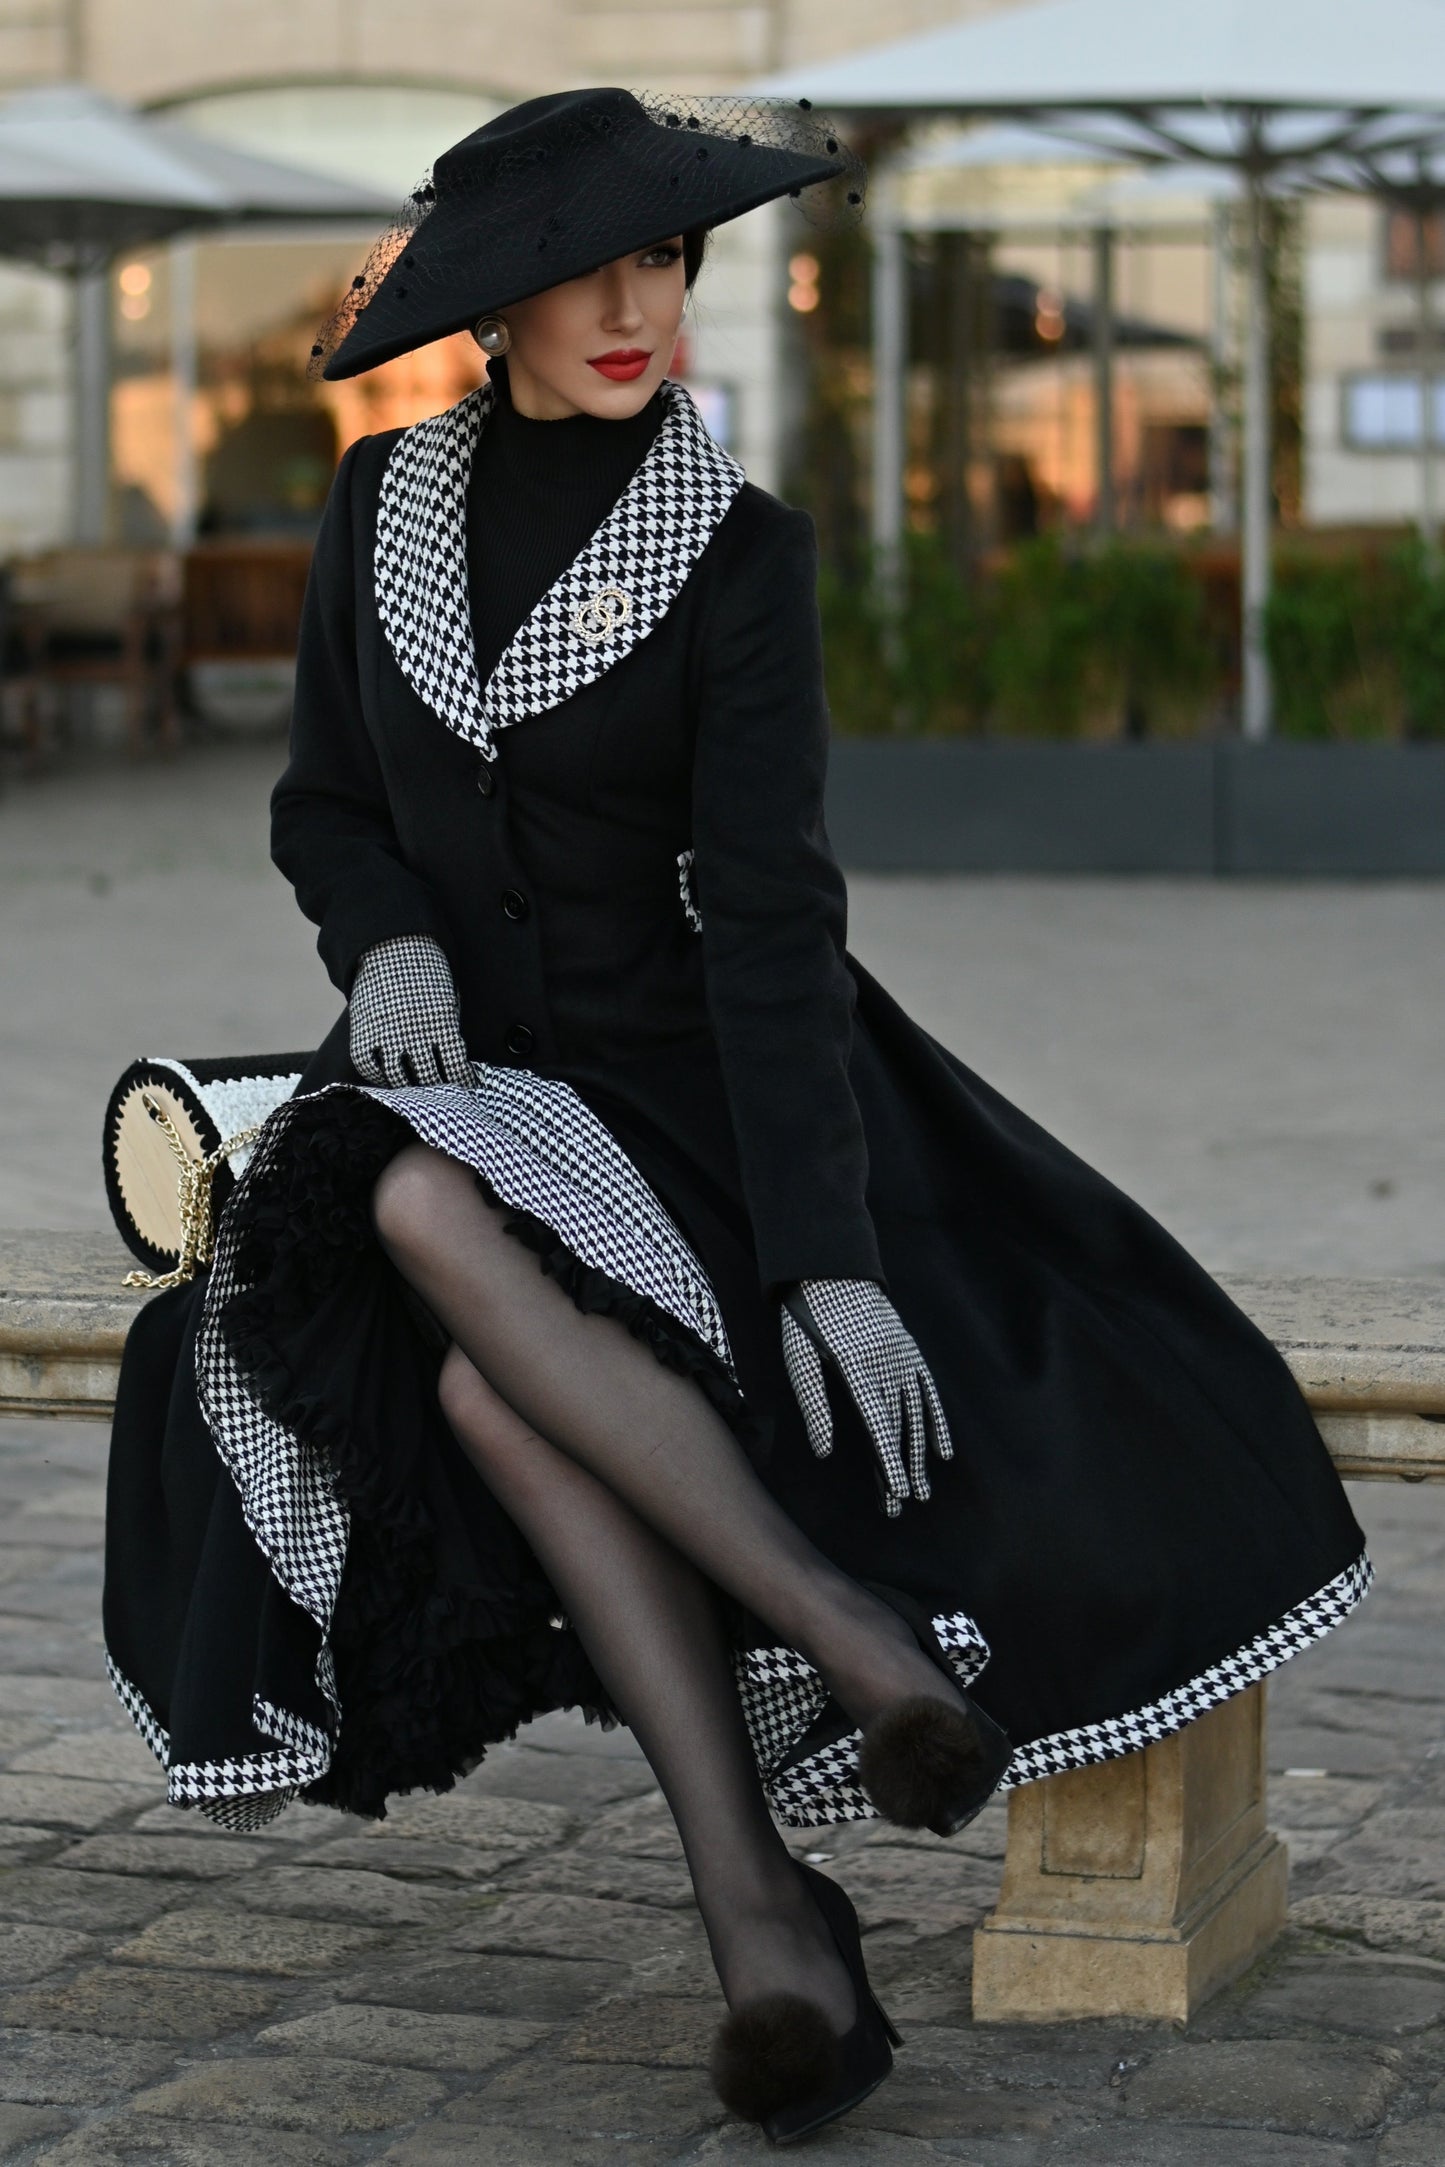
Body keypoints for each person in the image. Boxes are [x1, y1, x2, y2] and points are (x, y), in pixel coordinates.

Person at [102, 87, 1370, 2146]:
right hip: (446, 1072)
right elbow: (325, 799)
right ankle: (824, 1714)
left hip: (682, 1092)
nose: (638, 304)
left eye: (666, 260)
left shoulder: (743, 555)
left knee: (465, 1330)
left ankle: (770, 1889)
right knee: (436, 1265)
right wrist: (381, 943)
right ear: (494, 303)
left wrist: (831, 1257)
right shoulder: (376, 511)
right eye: (592, 267)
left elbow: (775, 916)